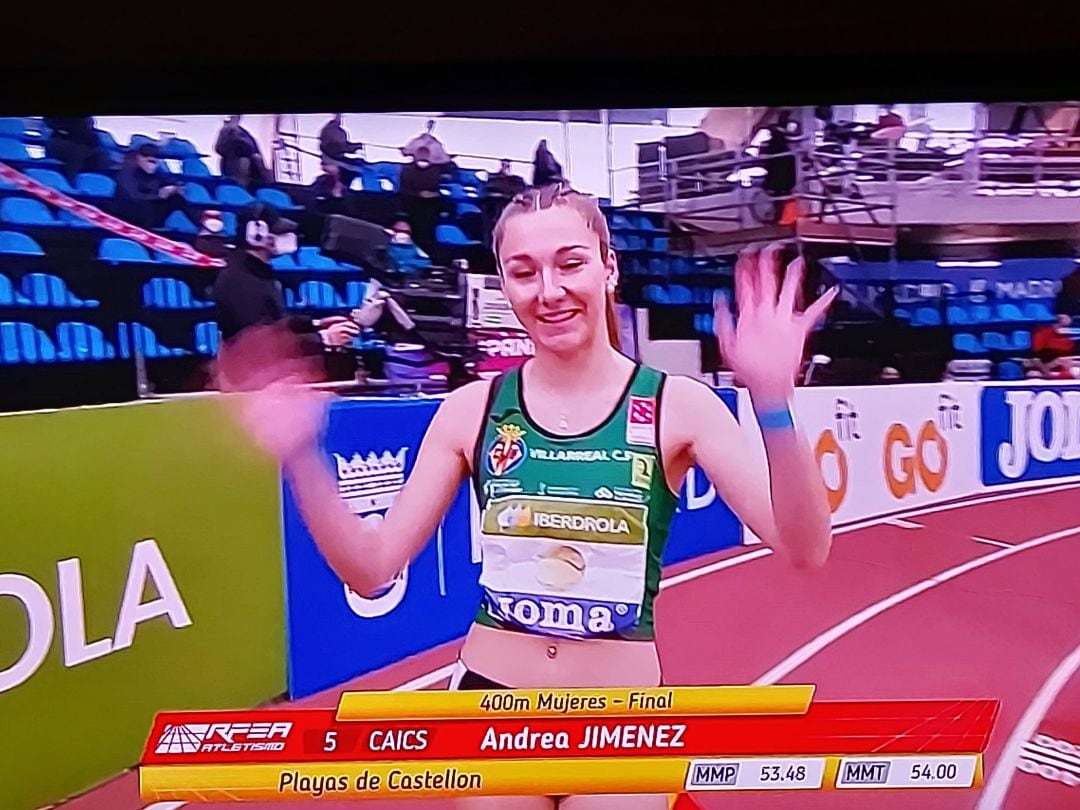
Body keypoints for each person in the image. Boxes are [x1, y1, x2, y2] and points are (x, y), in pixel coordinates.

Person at [219, 183, 835, 810]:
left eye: (570, 263)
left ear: (608, 266)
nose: (549, 291)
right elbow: (371, 569)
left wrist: (773, 402)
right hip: (490, 710)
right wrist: (299, 456)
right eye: (523, 272)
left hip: (622, 722)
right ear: (505, 285)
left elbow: (807, 548)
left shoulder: (680, 405)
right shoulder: (471, 410)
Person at [213, 202, 359, 355]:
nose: (287, 236)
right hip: (254, 374)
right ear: (257, 234)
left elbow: (274, 324)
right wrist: (323, 339)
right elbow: (260, 342)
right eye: (278, 231)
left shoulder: (256, 273)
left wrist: (314, 324)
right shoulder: (240, 281)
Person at [115, 143, 193, 230]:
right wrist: (158, 195)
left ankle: (202, 223)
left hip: (153, 214)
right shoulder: (126, 174)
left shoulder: (158, 174)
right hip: (131, 213)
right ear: (139, 158)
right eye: (148, 159)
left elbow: (171, 182)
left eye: (154, 160)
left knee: (177, 198)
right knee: (143, 205)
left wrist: (174, 188)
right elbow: (133, 196)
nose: (151, 163)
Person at [399, 146, 453, 254]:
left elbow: (436, 186)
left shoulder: (435, 171)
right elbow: (404, 189)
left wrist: (432, 194)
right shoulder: (407, 170)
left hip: (431, 207)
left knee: (429, 232)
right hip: (413, 205)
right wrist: (419, 194)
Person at [42, 116, 112, 180]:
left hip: (85, 143)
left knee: (102, 156)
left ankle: (98, 183)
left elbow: (88, 130)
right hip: (59, 140)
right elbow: (50, 124)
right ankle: (69, 180)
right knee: (78, 153)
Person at [214, 115, 271, 189]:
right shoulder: (225, 132)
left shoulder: (245, 133)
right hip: (234, 162)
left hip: (250, 168)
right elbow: (219, 148)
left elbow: (251, 148)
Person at [481, 159, 527, 247]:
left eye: (507, 166)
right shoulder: (493, 180)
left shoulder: (516, 181)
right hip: (495, 208)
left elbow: (521, 192)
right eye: (503, 165)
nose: (505, 167)